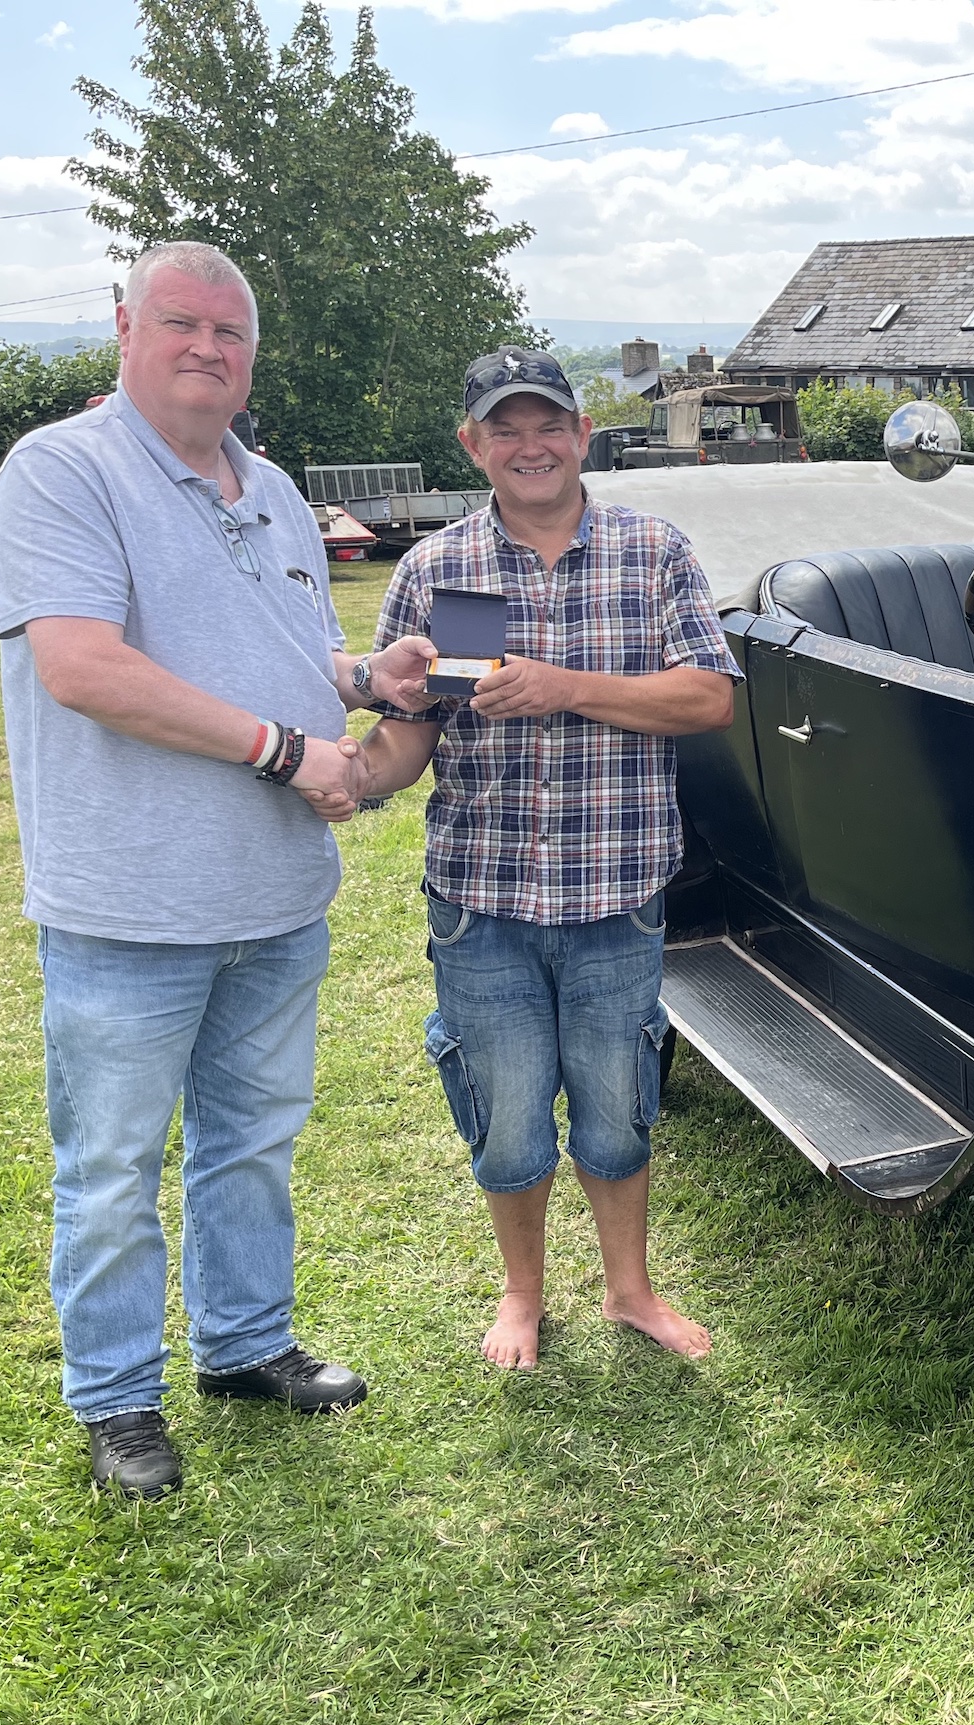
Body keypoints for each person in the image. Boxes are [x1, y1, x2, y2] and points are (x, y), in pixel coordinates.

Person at [0, 240, 440, 1498]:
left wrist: (363, 680)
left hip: (274, 897)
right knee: (114, 1164)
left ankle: (243, 1346)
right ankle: (119, 1400)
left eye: (230, 334)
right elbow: (84, 666)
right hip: (130, 903)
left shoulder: (273, 487)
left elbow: (293, 642)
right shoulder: (60, 473)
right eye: (180, 322)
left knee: (252, 1140)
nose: (206, 349)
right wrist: (290, 751)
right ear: (124, 325)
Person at [356, 345, 737, 1371]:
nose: (532, 445)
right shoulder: (442, 573)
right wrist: (354, 773)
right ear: (473, 444)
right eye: (506, 428)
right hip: (482, 902)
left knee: (616, 1112)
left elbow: (708, 696)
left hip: (616, 893)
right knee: (512, 1119)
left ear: (580, 434)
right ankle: (522, 1293)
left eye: (549, 424)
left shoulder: (652, 552)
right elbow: (411, 733)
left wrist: (562, 684)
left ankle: (629, 1290)